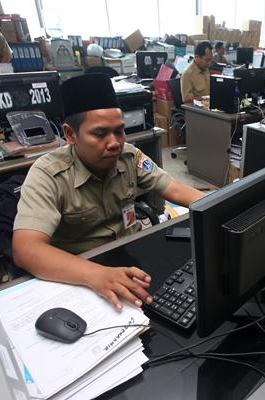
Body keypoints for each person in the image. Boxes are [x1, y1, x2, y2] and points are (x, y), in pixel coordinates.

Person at [13, 73, 205, 310]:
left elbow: (174, 188)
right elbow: (25, 249)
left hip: (129, 253)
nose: (115, 142)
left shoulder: (129, 156)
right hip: (81, 271)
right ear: (70, 134)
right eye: (100, 134)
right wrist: (96, 274)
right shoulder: (47, 174)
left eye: (119, 131)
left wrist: (222, 202)